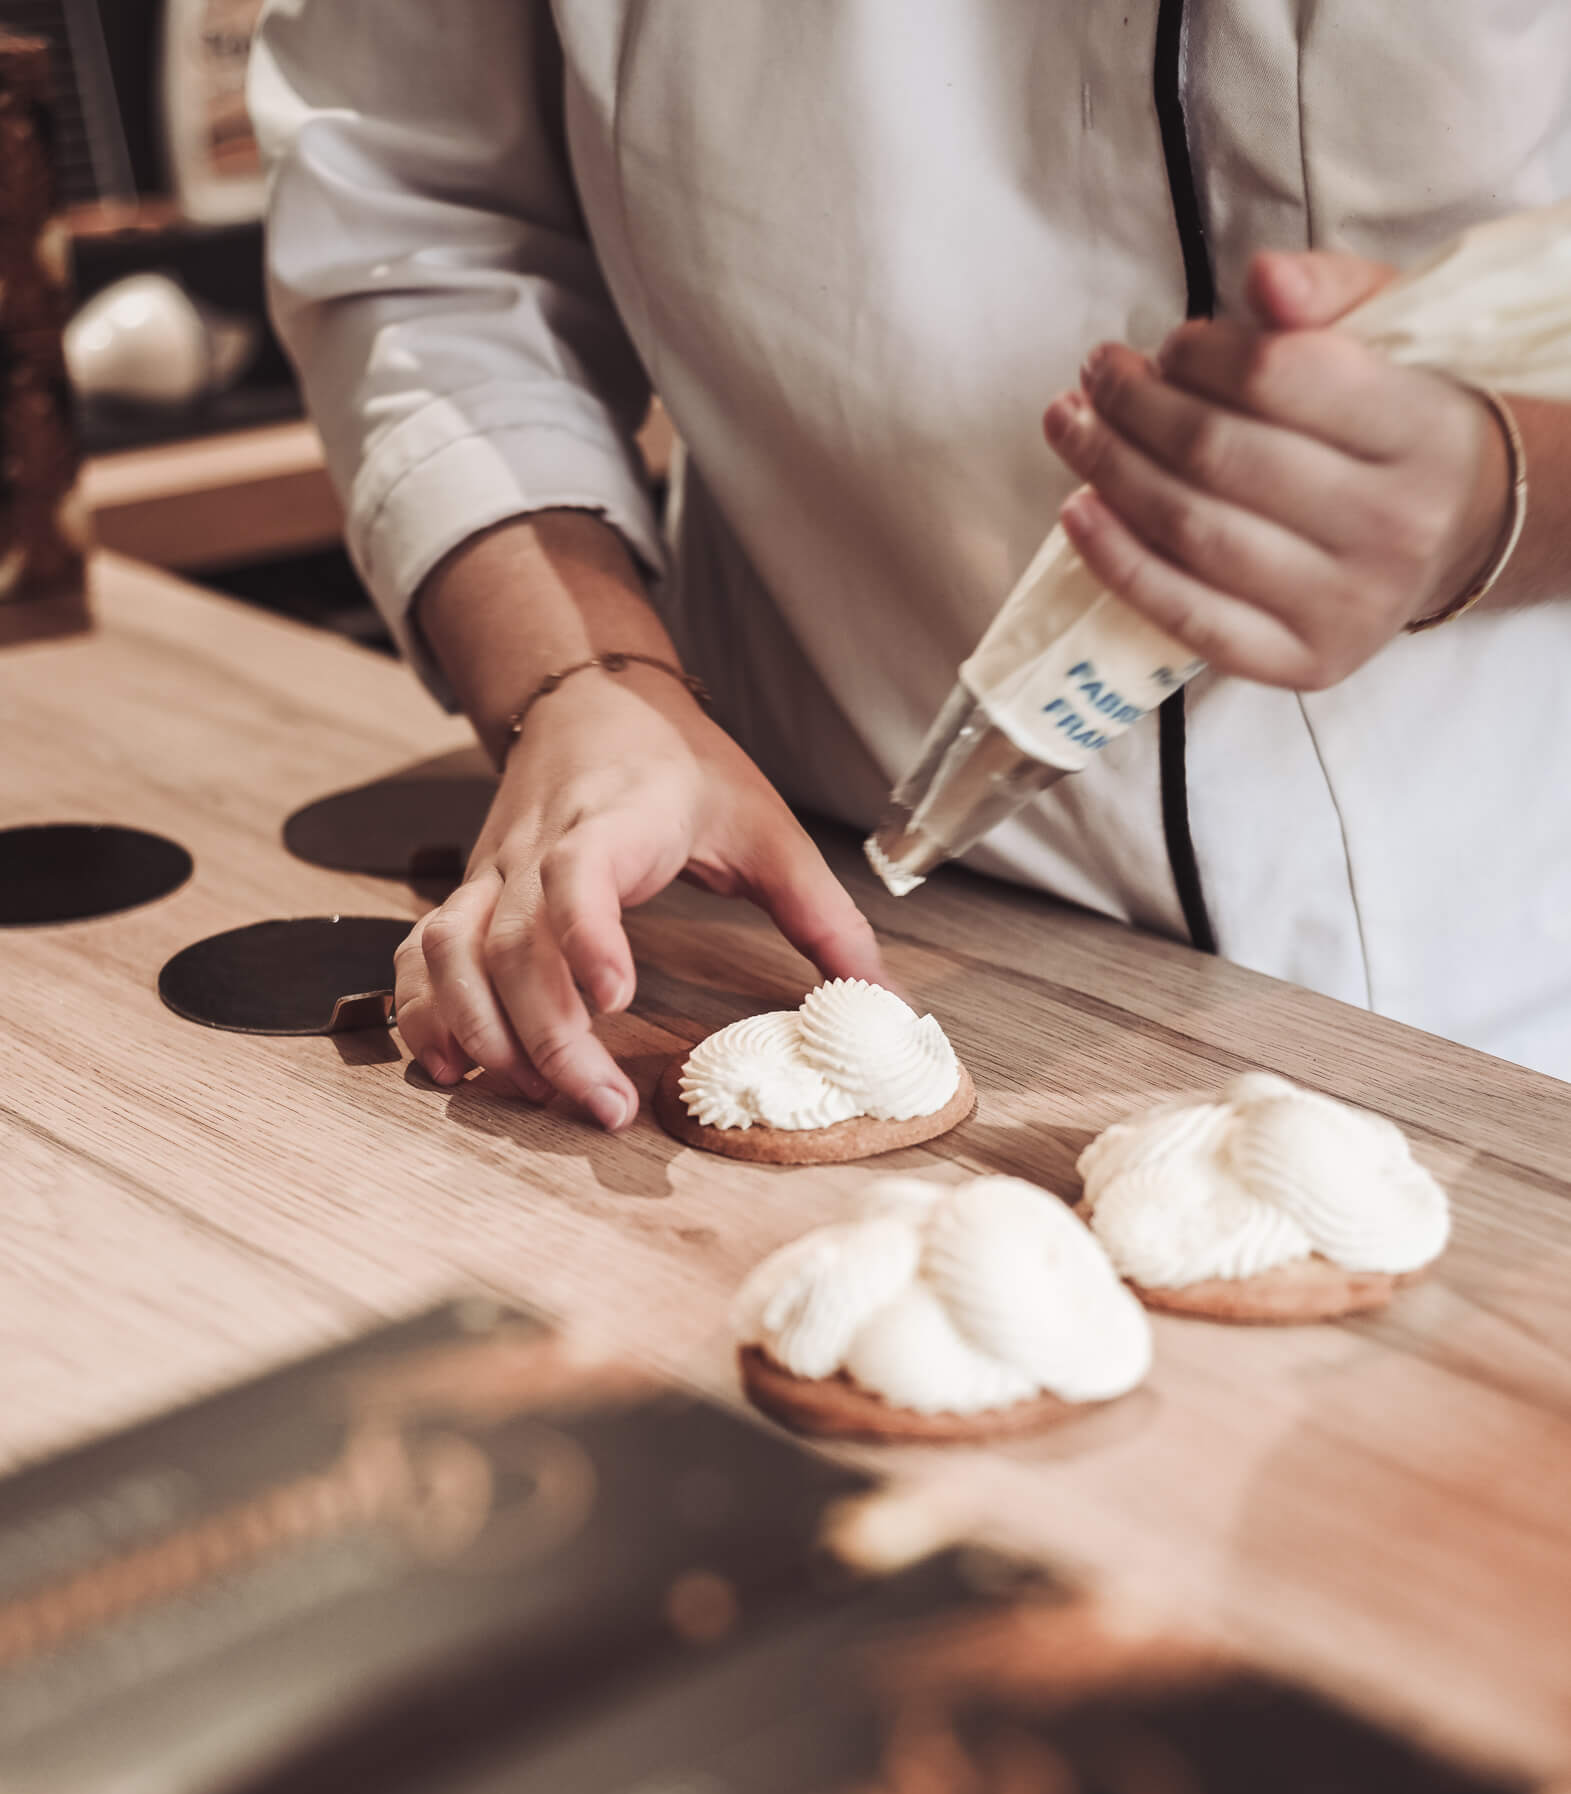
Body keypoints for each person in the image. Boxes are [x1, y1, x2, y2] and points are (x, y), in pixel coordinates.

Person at [250, 3, 1571, 1118]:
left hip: (1509, 1000)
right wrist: (587, 678)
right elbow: (422, 220)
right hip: (791, 905)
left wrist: (1507, 492)